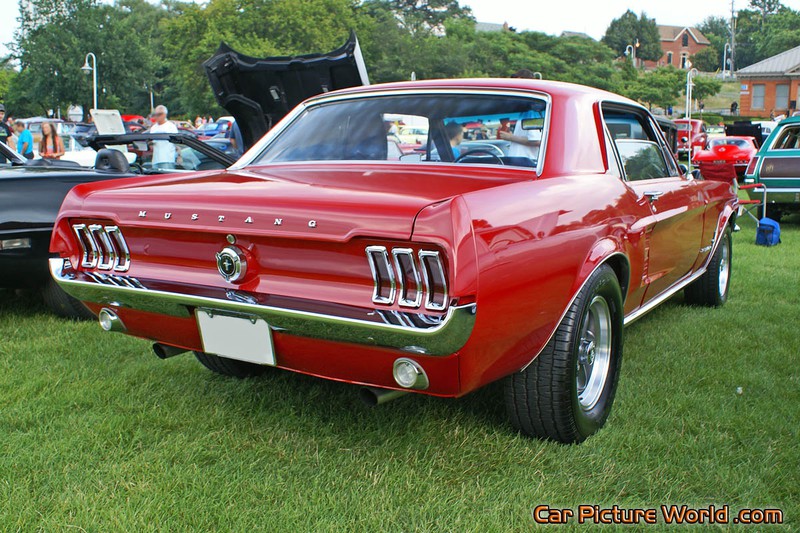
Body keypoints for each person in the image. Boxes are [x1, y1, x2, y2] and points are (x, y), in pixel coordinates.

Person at [499, 69, 541, 160]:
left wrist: (511, 137)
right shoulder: (525, 111)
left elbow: (536, 140)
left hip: (526, 162)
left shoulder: (531, 112)